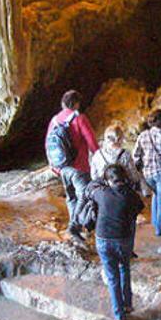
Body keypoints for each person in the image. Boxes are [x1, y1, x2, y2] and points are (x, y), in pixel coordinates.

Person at [90, 164, 144, 320]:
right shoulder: (131, 195)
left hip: (103, 238)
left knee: (112, 277)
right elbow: (139, 207)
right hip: (123, 239)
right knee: (124, 268)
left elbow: (90, 189)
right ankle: (127, 304)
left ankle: (119, 314)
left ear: (107, 180)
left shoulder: (102, 193)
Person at [48, 90, 98, 241]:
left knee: (71, 197)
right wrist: (99, 157)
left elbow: (48, 143)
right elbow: (91, 141)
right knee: (85, 194)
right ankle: (74, 226)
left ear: (63, 103)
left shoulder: (55, 120)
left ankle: (76, 226)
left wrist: (53, 166)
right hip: (79, 166)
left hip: (62, 167)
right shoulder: (79, 118)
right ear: (76, 104)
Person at [134, 109, 161, 236]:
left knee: (156, 195)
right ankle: (160, 227)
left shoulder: (143, 135)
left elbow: (136, 155)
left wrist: (139, 167)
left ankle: (155, 221)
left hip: (147, 173)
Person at [90, 123, 141, 188]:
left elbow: (94, 177)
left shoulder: (97, 155)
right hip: (123, 190)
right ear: (119, 139)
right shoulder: (125, 154)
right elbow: (134, 176)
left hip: (106, 191)